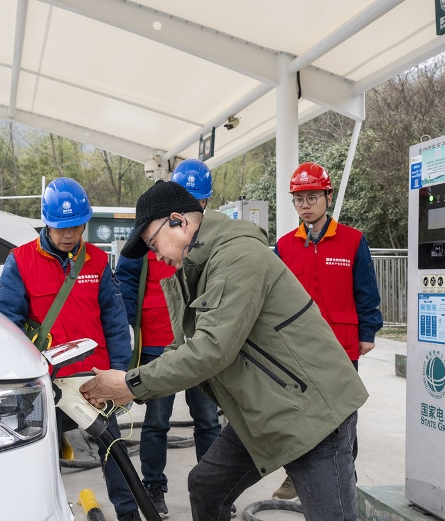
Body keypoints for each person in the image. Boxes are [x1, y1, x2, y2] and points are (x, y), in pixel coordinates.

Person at [80, 181, 369, 521]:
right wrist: (129, 386)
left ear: (179, 221)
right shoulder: (198, 268)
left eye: (153, 242)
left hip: (312, 411)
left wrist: (130, 385)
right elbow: (186, 346)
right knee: (206, 485)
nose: (155, 255)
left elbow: (212, 349)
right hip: (263, 410)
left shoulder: (238, 255)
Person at [0, 177, 141, 521]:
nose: (70, 234)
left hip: (95, 379)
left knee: (113, 452)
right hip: (49, 382)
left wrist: (120, 374)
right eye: (62, 228)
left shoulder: (97, 262)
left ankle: (129, 513)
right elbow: (6, 326)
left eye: (76, 226)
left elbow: (116, 321)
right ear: (46, 222)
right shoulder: (21, 261)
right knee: (41, 457)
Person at [271, 162, 383, 501]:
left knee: (344, 418)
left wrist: (368, 331)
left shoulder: (352, 241)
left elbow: (366, 290)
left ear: (327, 197)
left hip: (342, 346)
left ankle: (344, 476)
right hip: (297, 348)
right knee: (299, 416)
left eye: (312, 196)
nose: (305, 205)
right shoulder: (285, 246)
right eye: (299, 199)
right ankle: (296, 476)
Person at [115, 159, 221, 518]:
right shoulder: (151, 235)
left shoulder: (214, 240)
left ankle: (214, 492)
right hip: (157, 344)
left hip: (199, 345)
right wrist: (135, 325)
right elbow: (126, 282)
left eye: (199, 201)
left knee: (207, 420)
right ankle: (154, 489)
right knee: (156, 422)